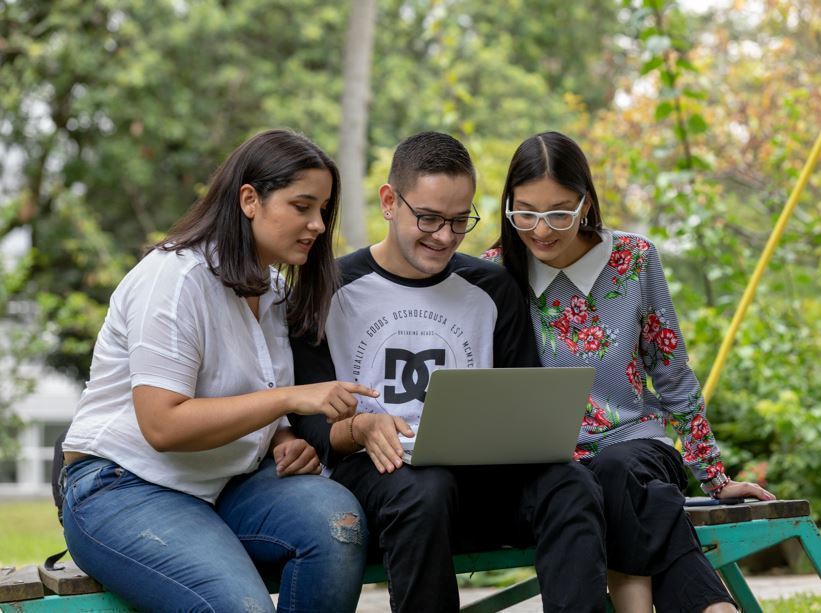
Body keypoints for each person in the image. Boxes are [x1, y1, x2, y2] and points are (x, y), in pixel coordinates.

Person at [60, 129, 378, 613]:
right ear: (250, 199)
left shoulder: (270, 290)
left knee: (338, 524)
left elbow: (252, 394)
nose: (317, 225)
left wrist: (282, 438)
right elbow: (163, 425)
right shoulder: (174, 279)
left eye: (323, 210)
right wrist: (290, 401)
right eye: (301, 206)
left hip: (225, 486)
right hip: (122, 486)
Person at [289, 131, 608, 613]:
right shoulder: (329, 289)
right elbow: (309, 428)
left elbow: (522, 401)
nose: (445, 236)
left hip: (481, 482)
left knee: (572, 484)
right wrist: (358, 427)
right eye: (430, 218)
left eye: (461, 221)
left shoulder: (493, 288)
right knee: (425, 487)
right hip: (380, 481)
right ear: (390, 201)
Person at [486, 131, 775, 613]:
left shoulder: (633, 259)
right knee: (604, 485)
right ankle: (712, 608)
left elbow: (673, 372)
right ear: (507, 206)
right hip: (554, 471)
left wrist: (715, 477)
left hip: (638, 447)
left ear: (586, 202)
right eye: (525, 212)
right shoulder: (495, 272)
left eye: (559, 212)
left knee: (617, 472)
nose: (540, 230)